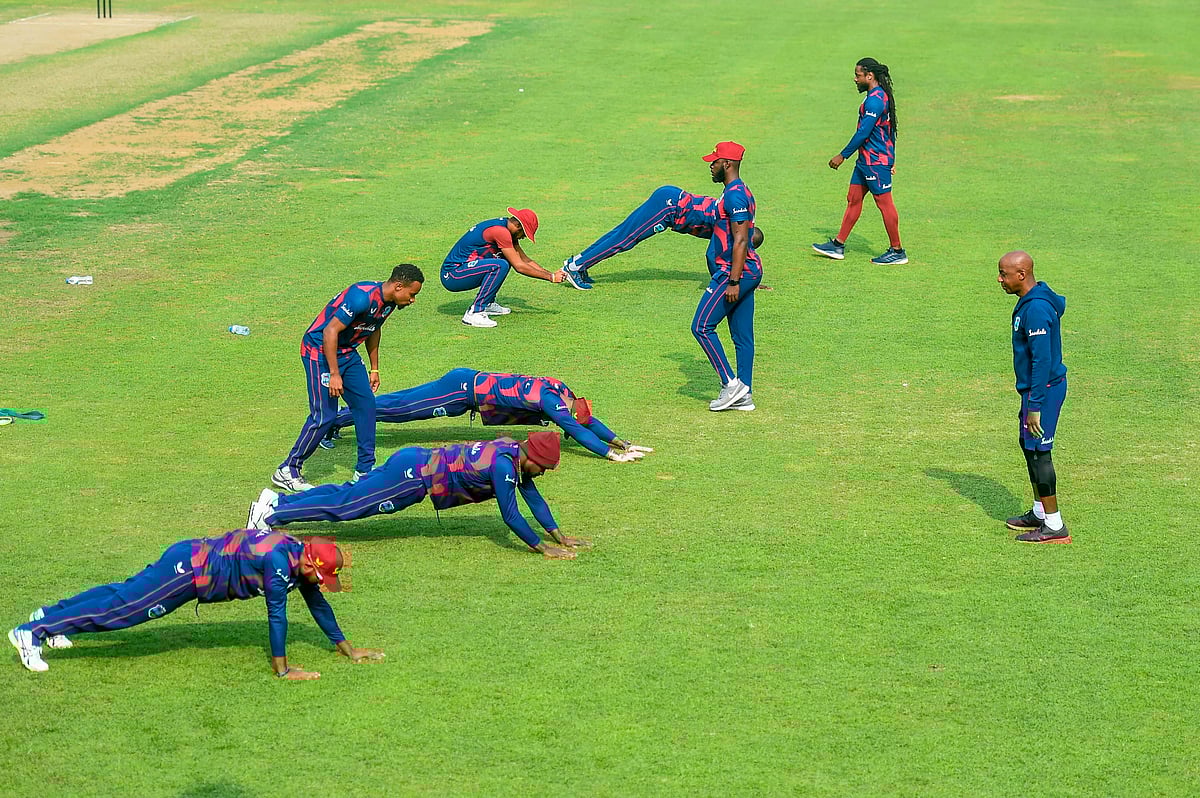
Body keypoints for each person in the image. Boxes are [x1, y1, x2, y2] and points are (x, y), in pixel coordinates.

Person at [8, 531, 383, 678]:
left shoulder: (294, 553)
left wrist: (347, 649)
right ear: (309, 564)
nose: (321, 583)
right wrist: (283, 670)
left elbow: (316, 604)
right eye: (322, 575)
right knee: (123, 611)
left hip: (188, 557)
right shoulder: (278, 565)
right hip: (186, 574)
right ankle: (31, 633)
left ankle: (49, 617)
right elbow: (277, 617)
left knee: (120, 594)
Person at [249, 430, 585, 559]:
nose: (542, 474)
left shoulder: (511, 450)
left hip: (412, 461)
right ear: (533, 459)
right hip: (412, 479)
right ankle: (270, 516)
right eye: (544, 468)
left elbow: (534, 498)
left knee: (346, 493)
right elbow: (511, 515)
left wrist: (560, 535)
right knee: (347, 507)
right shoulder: (505, 467)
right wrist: (543, 549)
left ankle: (276, 501)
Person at [273, 264, 424, 493]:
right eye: (412, 294)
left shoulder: (390, 303)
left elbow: (374, 328)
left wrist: (375, 369)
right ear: (398, 286)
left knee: (366, 405)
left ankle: (364, 471)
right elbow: (329, 332)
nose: (413, 300)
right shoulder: (360, 298)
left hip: (347, 352)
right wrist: (334, 374)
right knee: (324, 415)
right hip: (319, 352)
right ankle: (288, 469)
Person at [319, 368, 652, 462]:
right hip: (461, 392)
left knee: (401, 402)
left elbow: (587, 423)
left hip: (466, 386)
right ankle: (332, 422)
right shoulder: (556, 406)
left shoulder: (563, 391)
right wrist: (610, 454)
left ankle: (341, 418)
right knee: (401, 410)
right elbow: (579, 430)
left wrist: (623, 442)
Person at [559, 186, 765, 290]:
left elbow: (737, 254)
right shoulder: (729, 227)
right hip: (668, 207)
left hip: (671, 199)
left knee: (620, 234)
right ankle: (574, 267)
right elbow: (713, 257)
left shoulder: (738, 223)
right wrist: (732, 284)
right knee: (623, 239)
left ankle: (580, 264)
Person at [997, 250, 1070, 543]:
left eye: (1004, 274)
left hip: (1044, 391)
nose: (1000, 279)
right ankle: (1040, 513)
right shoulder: (1031, 302)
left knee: (1040, 454)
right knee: (1028, 447)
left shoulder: (1036, 309)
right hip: (1036, 390)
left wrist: (1035, 406)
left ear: (1022, 275)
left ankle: (1054, 526)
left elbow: (1042, 360)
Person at [812, 57, 907, 265]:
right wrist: (892, 158)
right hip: (865, 161)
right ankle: (838, 245)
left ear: (869, 76)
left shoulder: (875, 100)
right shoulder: (878, 96)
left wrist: (842, 155)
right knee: (853, 198)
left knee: (884, 204)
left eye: (858, 75)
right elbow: (890, 131)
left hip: (874, 161)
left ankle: (897, 250)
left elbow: (864, 132)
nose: (855, 79)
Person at [693, 141, 762, 412]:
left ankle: (731, 385)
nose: (711, 166)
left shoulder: (734, 195)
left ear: (728, 165)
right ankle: (744, 394)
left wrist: (733, 281)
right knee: (743, 335)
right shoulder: (738, 190)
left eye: (715, 162)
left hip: (734, 273)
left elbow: (742, 239)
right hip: (747, 271)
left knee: (701, 326)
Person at [441, 208, 564, 328]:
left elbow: (525, 260)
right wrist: (550, 277)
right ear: (518, 226)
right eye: (525, 234)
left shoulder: (507, 230)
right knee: (500, 265)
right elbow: (519, 266)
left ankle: (488, 303)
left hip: (462, 271)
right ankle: (474, 312)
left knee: (504, 260)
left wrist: (551, 273)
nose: (523, 238)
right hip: (453, 275)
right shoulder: (500, 232)